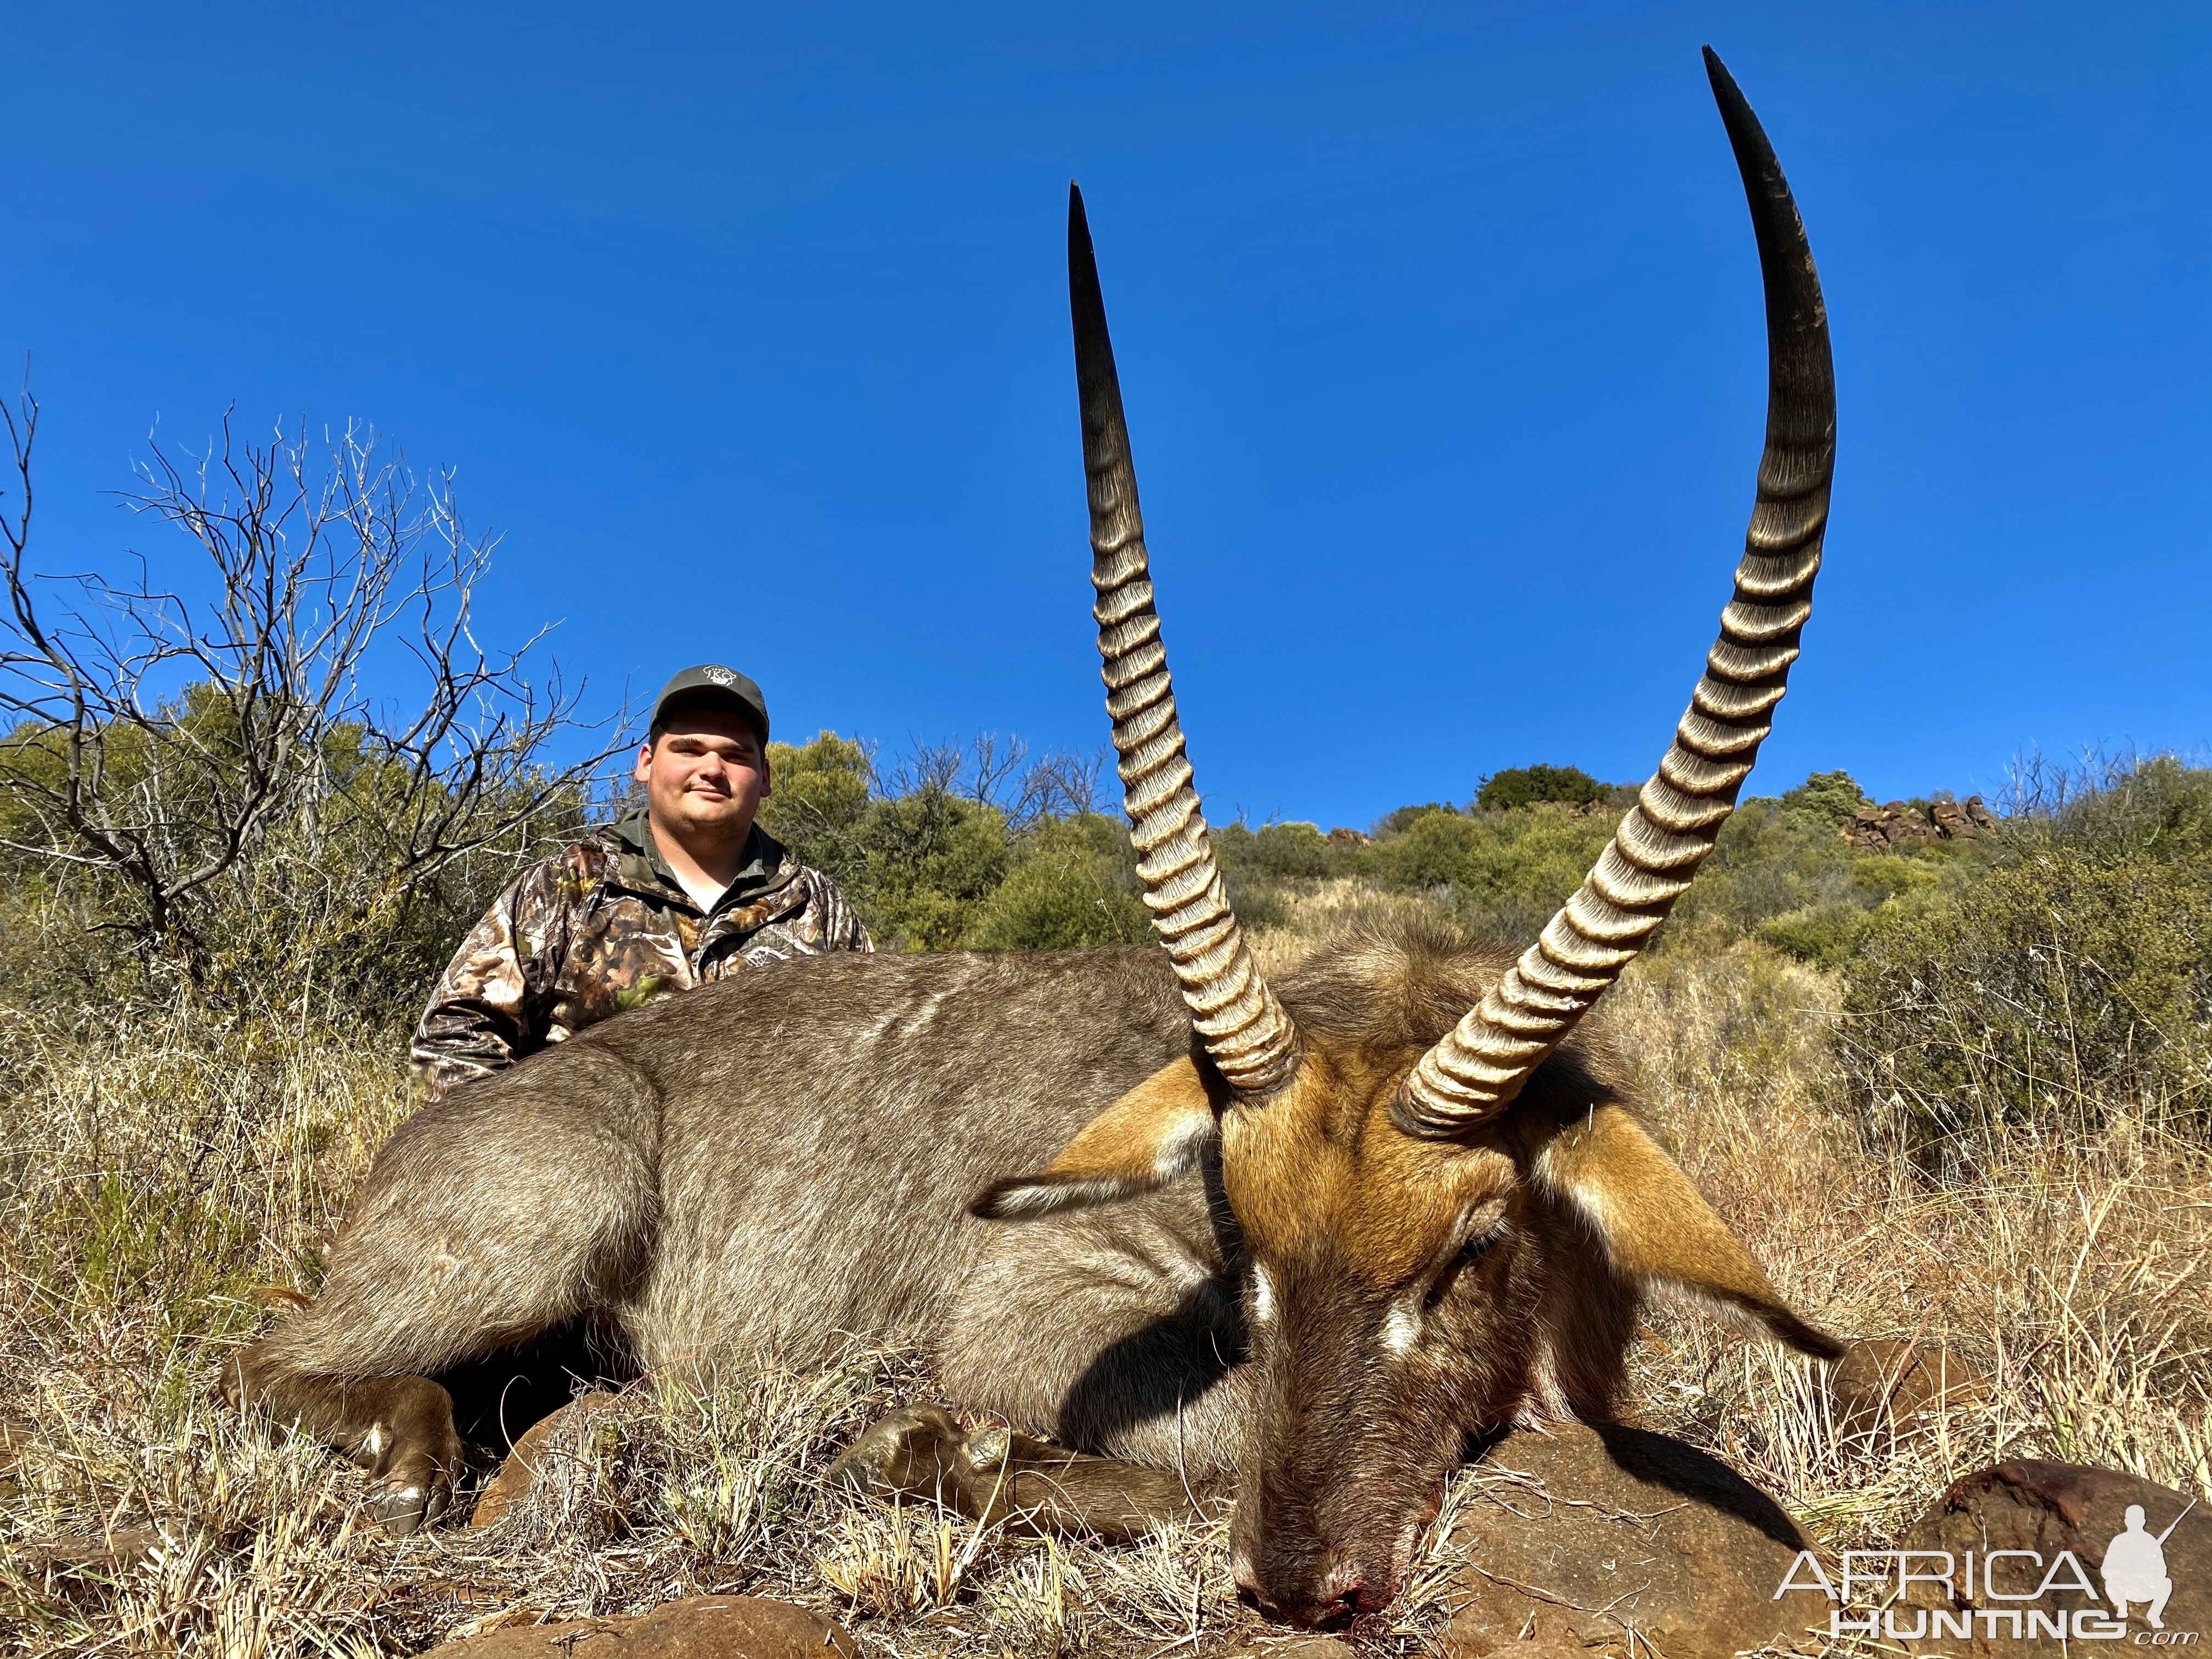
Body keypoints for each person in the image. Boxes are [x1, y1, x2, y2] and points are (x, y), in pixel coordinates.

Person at [410, 664, 872, 1100]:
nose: (712, 769)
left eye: (735, 755)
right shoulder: (569, 884)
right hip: (578, 1167)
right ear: (646, 762)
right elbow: (452, 1040)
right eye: (689, 749)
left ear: (765, 777)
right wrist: (517, 1166)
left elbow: (875, 1060)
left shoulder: (818, 907)